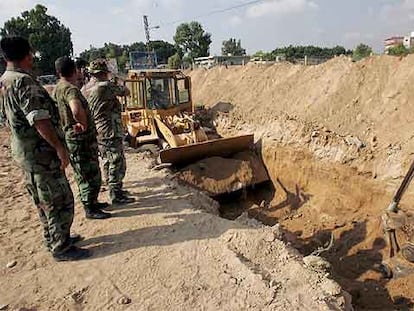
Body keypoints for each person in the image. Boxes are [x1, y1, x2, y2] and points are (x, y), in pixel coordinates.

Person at [0, 37, 90, 261]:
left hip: (26, 152)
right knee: (60, 200)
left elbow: (6, 119)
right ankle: (61, 247)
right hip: (41, 153)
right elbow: (39, 120)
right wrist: (59, 147)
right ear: (28, 55)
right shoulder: (24, 82)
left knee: (43, 200)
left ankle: (55, 238)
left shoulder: (5, 81)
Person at [53, 57, 111, 219]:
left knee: (85, 173)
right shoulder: (70, 89)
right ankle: (90, 208)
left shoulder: (57, 88)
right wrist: (83, 124)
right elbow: (76, 109)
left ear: (58, 72)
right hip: (81, 140)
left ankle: (93, 202)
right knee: (89, 173)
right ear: (75, 70)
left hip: (72, 138)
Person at [87, 59, 135, 204]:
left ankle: (113, 187)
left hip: (100, 129)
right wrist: (116, 79)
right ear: (104, 73)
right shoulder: (105, 86)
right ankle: (116, 193)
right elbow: (126, 91)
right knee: (117, 160)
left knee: (108, 160)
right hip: (110, 130)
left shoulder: (90, 87)